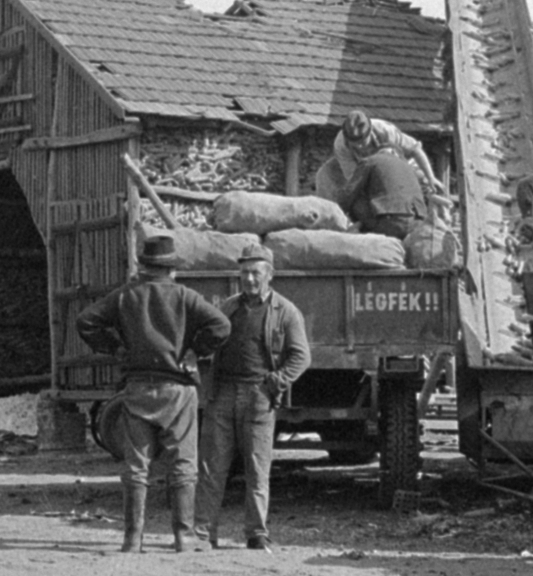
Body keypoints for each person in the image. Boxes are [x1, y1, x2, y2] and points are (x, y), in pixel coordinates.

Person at [76, 234, 231, 553]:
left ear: (144, 267)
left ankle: (133, 538)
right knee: (183, 465)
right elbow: (221, 325)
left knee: (136, 466)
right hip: (178, 391)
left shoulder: (124, 296)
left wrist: (116, 348)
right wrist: (194, 352)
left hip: (137, 390)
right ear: (171, 269)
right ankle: (183, 538)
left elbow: (86, 321)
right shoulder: (186, 297)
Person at [194, 242, 311, 553]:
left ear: (269, 275)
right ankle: (203, 534)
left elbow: (301, 356)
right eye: (244, 272)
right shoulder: (228, 308)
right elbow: (209, 344)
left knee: (257, 468)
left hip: (259, 395)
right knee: (211, 467)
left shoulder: (285, 311)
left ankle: (256, 534)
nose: (248, 279)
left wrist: (276, 382)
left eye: (255, 273)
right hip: (223, 395)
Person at [325, 110, 443, 202]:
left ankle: (441, 217)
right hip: (367, 172)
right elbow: (353, 176)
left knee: (427, 184)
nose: (360, 147)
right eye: (355, 144)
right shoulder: (341, 145)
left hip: (402, 164)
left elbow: (415, 150)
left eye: (362, 142)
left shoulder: (386, 131)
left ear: (370, 133)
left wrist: (431, 177)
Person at [341, 149, 429, 240]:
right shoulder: (410, 168)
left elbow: (349, 191)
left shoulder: (371, 160)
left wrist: (339, 212)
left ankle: (359, 230)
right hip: (417, 224)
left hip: (389, 222)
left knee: (356, 198)